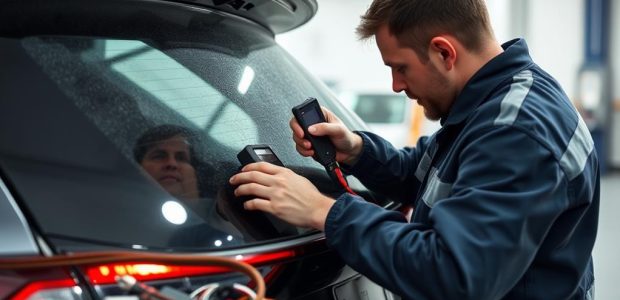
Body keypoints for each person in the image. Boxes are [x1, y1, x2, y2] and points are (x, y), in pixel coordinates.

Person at [229, 0, 600, 299]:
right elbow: (423, 174)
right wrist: (356, 149)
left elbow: (454, 276)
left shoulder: (516, 132)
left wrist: (323, 211)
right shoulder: (495, 102)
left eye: (401, 68)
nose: (395, 85)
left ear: (444, 52)